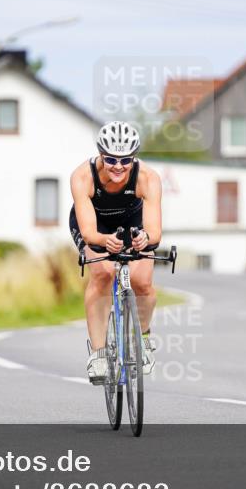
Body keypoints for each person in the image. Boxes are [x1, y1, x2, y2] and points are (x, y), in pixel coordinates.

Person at [69, 121, 162, 384]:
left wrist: (145, 238)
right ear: (100, 154)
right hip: (94, 224)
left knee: (142, 282)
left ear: (134, 157)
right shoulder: (82, 177)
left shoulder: (148, 178)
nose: (118, 167)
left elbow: (154, 231)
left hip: (134, 221)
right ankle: (99, 353)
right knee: (102, 273)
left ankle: (143, 340)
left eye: (125, 160)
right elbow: (89, 233)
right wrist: (103, 241)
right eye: (110, 160)